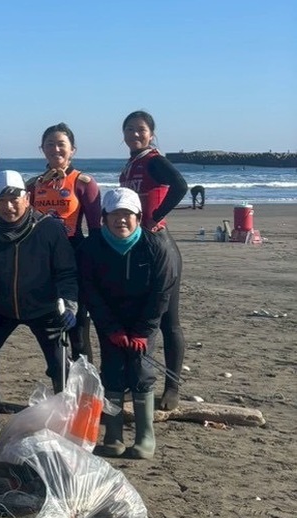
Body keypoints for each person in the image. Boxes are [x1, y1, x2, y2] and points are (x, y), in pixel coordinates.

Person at [0, 170, 78, 445]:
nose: (10, 206)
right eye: (3, 200)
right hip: (0, 306)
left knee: (61, 365)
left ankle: (67, 427)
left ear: (27, 198)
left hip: (45, 307)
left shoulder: (48, 228)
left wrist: (69, 305)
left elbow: (66, 271)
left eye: (16, 198)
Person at [78, 188, 178, 459]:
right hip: (110, 318)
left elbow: (162, 293)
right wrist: (112, 329)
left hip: (143, 318)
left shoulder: (155, 246)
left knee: (141, 370)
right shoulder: (92, 247)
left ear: (138, 216)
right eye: (115, 215)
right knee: (111, 370)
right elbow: (89, 290)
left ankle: (145, 437)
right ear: (105, 217)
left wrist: (143, 333)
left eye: (128, 215)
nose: (121, 220)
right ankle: (113, 436)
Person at [119, 110, 189, 410]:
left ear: (152, 133)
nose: (135, 134)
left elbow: (180, 186)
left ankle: (172, 387)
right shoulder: (132, 162)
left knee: (168, 322)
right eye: (129, 129)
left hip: (159, 247)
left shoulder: (154, 160)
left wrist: (156, 216)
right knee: (137, 317)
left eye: (141, 129)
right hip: (135, 246)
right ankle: (133, 380)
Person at [26, 123, 101, 361]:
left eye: (61, 144)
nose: (55, 149)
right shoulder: (33, 184)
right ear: (42, 149)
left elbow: (96, 230)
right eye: (50, 144)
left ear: (73, 150)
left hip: (74, 256)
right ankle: (62, 385)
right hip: (42, 260)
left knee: (78, 330)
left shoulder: (84, 182)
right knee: (51, 328)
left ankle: (86, 390)